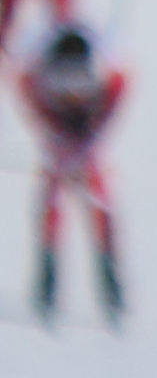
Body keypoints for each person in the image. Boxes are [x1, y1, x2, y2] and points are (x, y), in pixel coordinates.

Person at [23, 19, 126, 326]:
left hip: (85, 137)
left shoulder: (112, 77)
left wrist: (92, 138)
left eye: (79, 82)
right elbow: (33, 104)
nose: (72, 92)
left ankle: (111, 283)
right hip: (61, 137)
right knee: (51, 204)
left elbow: (117, 97)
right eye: (64, 84)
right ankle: (47, 281)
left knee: (100, 204)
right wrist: (54, 138)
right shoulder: (34, 79)